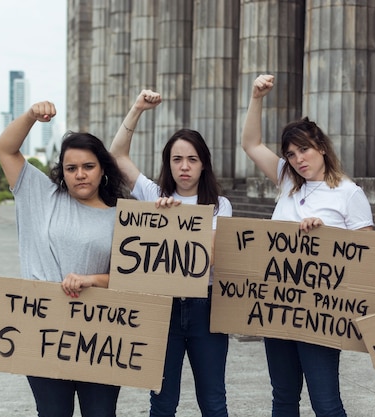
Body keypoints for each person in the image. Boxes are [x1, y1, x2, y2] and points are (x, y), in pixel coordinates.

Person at [241, 74, 373, 417]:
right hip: (279, 307)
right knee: (283, 398)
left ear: (322, 148)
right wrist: (256, 97)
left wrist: (324, 235)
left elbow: (368, 257)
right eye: (291, 153)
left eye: (305, 150)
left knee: (325, 402)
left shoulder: (348, 193)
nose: (298, 159)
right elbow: (251, 144)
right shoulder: (288, 180)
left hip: (321, 315)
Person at [0, 101, 132, 417]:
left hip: (100, 334)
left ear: (102, 169)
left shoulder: (123, 217)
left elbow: (136, 280)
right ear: (62, 172)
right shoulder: (39, 194)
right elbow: (5, 148)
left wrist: (92, 280)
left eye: (88, 166)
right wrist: (31, 116)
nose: (80, 174)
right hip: (43, 328)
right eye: (71, 168)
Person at [109, 89, 232, 417]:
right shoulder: (153, 194)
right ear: (169, 164)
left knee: (214, 401)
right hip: (162, 308)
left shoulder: (220, 205)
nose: (184, 167)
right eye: (177, 159)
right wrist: (136, 108)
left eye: (192, 159)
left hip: (206, 308)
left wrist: (175, 220)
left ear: (203, 163)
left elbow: (211, 256)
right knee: (162, 402)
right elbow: (117, 156)